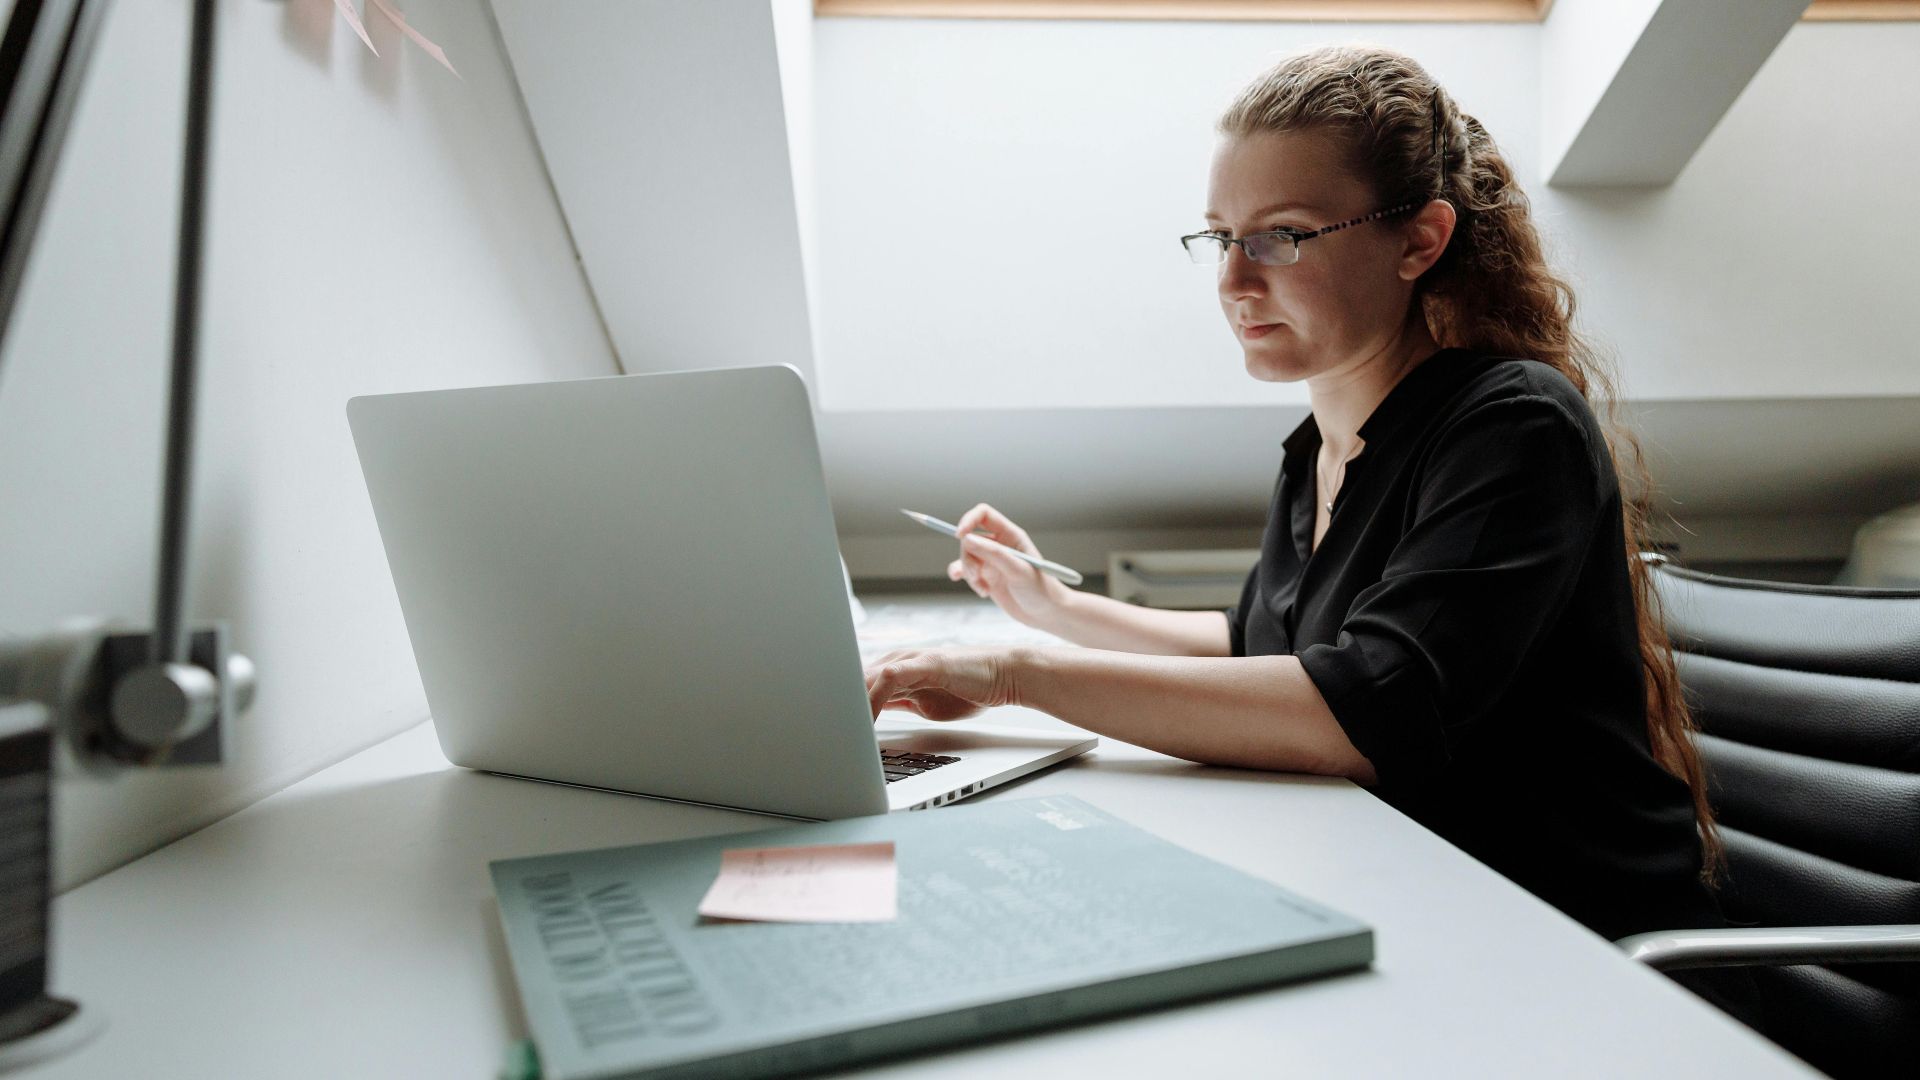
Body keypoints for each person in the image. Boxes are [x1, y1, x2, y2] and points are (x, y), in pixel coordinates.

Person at [861, 44, 1762, 1029]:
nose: (1234, 282)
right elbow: (1267, 649)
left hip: (1572, 955)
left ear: (1419, 240)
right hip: (1421, 902)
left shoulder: (1515, 427)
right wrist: (1058, 610)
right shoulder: (1318, 449)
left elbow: (1358, 710)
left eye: (1283, 237)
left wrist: (1016, 670)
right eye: (1220, 237)